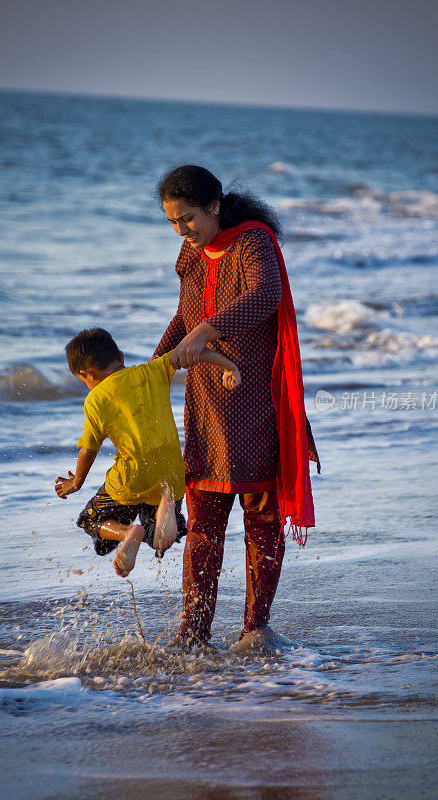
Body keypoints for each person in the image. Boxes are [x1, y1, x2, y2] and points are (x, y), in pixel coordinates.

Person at [153, 164, 320, 647]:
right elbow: (184, 316)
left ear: (214, 206)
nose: (182, 230)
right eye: (172, 222)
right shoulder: (191, 254)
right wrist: (155, 367)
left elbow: (266, 295)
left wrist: (208, 330)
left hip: (256, 402)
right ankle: (194, 633)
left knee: (261, 521)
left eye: (188, 218)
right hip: (205, 403)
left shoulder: (252, 242)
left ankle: (254, 631)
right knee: (203, 522)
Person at [54, 327, 241, 578]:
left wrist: (76, 482)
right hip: (171, 472)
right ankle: (161, 521)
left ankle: (127, 533)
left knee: (91, 520)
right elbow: (195, 351)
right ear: (120, 357)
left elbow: (89, 448)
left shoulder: (95, 399)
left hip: (131, 479)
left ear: (85, 374)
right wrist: (227, 365)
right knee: (161, 540)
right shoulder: (153, 370)